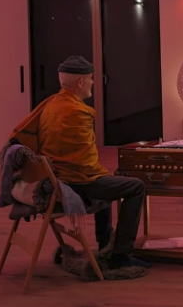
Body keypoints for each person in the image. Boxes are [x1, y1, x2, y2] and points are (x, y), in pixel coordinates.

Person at [34, 56, 149, 270]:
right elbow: (85, 168)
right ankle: (120, 255)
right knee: (136, 186)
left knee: (107, 180)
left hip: (56, 178)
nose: (93, 83)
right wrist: (104, 174)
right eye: (90, 79)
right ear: (80, 82)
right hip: (73, 182)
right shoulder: (78, 112)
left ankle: (105, 244)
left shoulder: (51, 104)